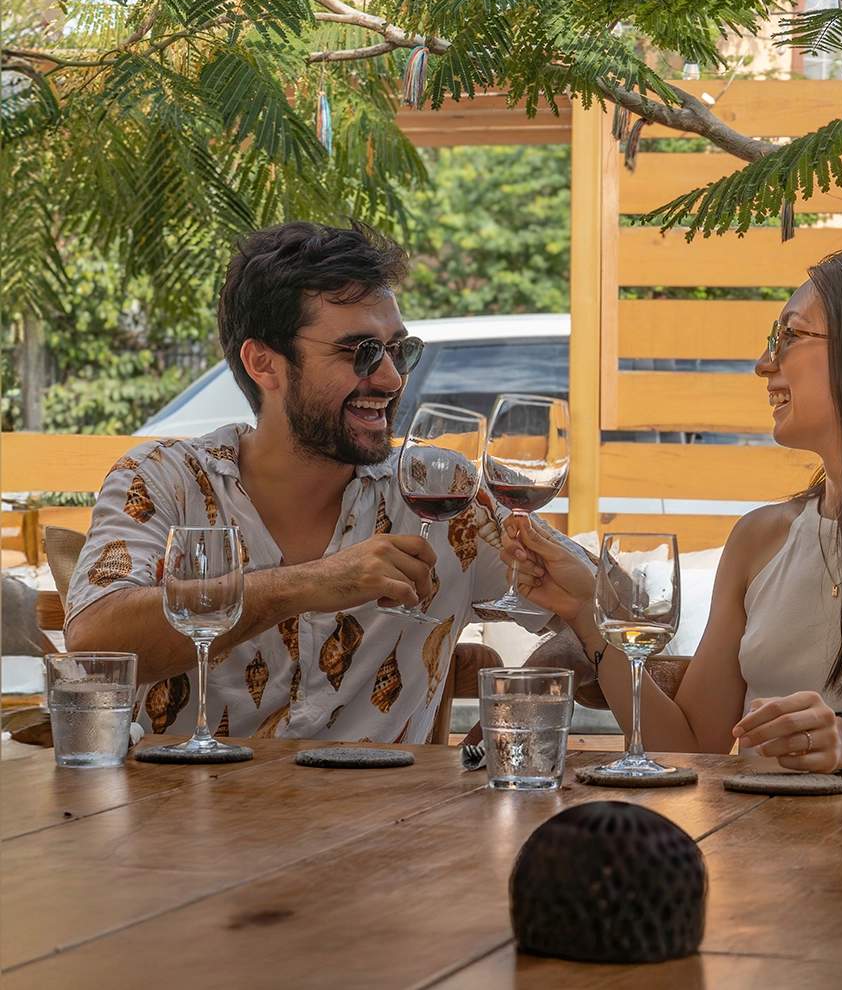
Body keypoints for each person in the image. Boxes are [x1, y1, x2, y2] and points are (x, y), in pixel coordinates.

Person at [504, 249, 842, 772]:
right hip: (752, 849)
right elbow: (691, 747)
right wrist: (586, 615)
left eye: (791, 336)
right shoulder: (759, 538)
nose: (764, 365)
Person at [65, 220, 561, 743]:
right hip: (185, 815)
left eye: (399, 350)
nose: (393, 379)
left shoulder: (442, 488)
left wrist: (512, 716)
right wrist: (311, 584)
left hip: (386, 823)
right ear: (265, 364)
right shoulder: (164, 478)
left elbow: (601, 609)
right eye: (360, 353)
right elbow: (97, 647)